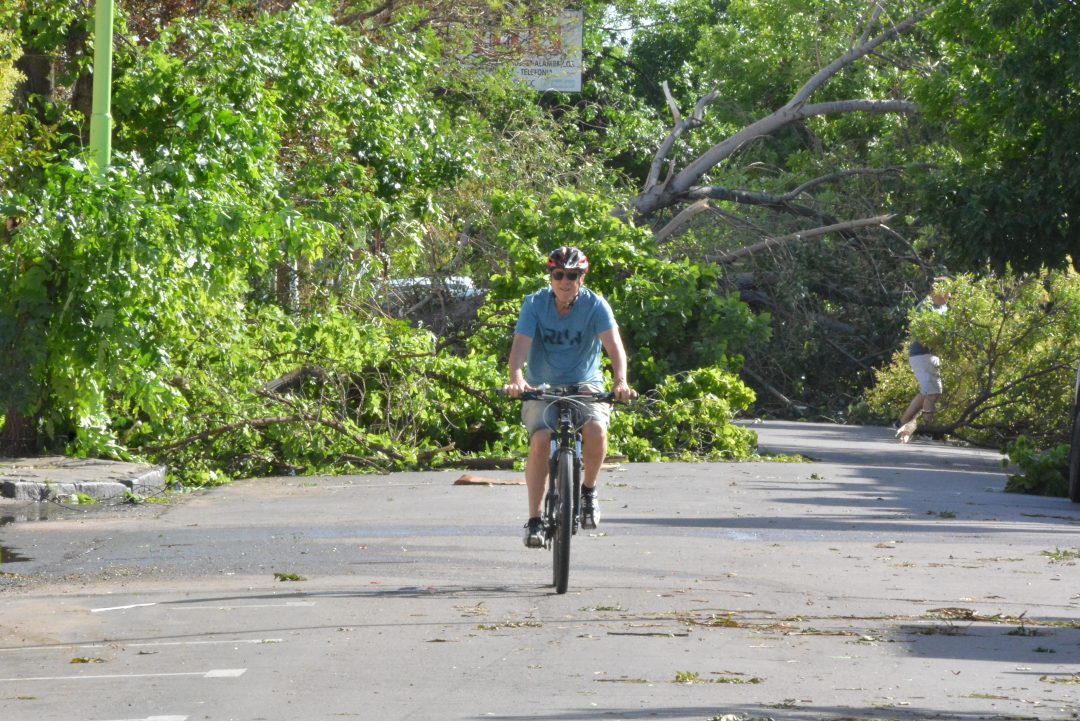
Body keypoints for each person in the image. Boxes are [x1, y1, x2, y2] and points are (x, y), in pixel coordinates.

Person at [503, 246, 636, 548]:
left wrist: (621, 382)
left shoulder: (596, 305)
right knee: (540, 440)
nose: (565, 281)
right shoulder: (534, 304)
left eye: (572, 275)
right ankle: (535, 519)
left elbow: (614, 347)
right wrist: (517, 379)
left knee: (596, 431)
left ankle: (588, 491)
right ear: (550, 277)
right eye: (559, 274)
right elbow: (521, 346)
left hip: (585, 385)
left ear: (582, 279)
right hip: (542, 387)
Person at [896, 279, 951, 443]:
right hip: (921, 354)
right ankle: (928, 430)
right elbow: (919, 333)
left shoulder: (944, 308)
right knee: (934, 392)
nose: (950, 295)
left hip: (932, 354)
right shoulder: (925, 306)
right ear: (938, 291)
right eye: (947, 291)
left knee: (927, 391)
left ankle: (902, 423)